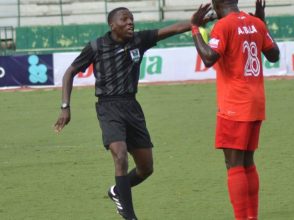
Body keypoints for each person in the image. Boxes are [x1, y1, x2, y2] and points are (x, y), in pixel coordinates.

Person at [53, 6, 209, 220]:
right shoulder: (96, 46)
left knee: (146, 168)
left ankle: (117, 191)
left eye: (132, 19)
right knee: (120, 155)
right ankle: (129, 215)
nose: (130, 23)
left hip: (132, 107)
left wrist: (195, 23)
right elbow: (70, 72)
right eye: (124, 19)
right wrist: (65, 107)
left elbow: (171, 29)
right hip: (108, 107)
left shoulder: (138, 40)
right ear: (112, 25)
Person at [191, 0, 280, 219]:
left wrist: (195, 28)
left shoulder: (223, 26)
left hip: (235, 104)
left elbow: (209, 57)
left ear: (216, 3)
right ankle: (252, 216)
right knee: (248, 161)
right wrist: (262, 21)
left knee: (234, 164)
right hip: (256, 102)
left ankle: (243, 217)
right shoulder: (256, 23)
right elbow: (274, 55)